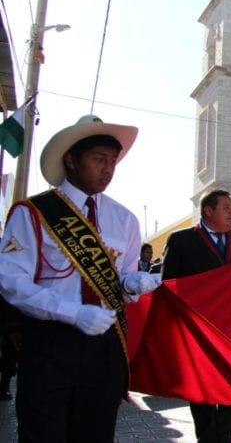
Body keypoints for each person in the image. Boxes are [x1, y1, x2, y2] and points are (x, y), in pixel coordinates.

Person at [0, 115, 160, 442]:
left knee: (96, 434)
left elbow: (123, 274)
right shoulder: (33, 212)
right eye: (98, 159)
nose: (108, 169)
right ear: (71, 160)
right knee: (43, 434)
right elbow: (11, 282)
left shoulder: (124, 219)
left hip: (104, 348)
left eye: (113, 161)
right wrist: (72, 312)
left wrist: (131, 285)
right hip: (50, 343)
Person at [161, 189, 231, 443]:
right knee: (201, 390)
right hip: (196, 332)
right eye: (226, 208)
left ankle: (220, 437)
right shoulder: (181, 241)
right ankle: (210, 437)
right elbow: (168, 285)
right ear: (208, 211)